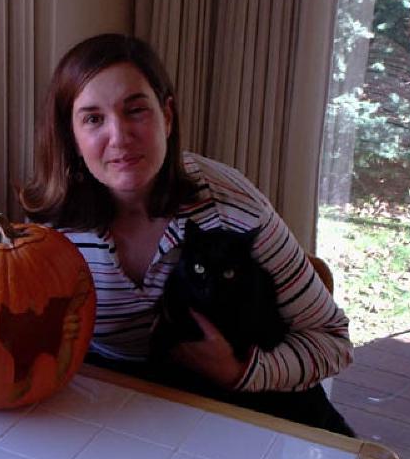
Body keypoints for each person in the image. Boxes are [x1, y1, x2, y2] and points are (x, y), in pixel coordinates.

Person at [19, 33, 354, 433]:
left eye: (136, 110)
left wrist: (237, 371)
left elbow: (332, 343)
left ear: (167, 117)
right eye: (93, 118)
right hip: (113, 419)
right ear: (71, 136)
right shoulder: (50, 230)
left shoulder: (234, 210)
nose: (120, 136)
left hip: (234, 416)